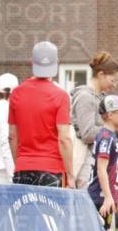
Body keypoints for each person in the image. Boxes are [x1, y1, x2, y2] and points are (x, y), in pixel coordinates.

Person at [8, 41, 74, 188]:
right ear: (57, 63)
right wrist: (70, 175)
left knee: (24, 211)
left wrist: (20, 163)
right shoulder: (61, 96)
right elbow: (64, 138)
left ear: (31, 62)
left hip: (23, 166)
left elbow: (12, 135)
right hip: (52, 169)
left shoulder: (16, 93)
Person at [71, 51, 118, 189]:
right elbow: (87, 133)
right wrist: (111, 129)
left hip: (95, 163)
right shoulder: (85, 98)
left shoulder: (100, 98)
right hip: (85, 166)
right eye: (113, 80)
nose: (114, 85)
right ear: (101, 75)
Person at [88, 95, 118, 229]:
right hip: (99, 198)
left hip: (106, 197)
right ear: (110, 115)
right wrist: (107, 197)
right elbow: (101, 169)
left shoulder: (112, 136)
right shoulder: (106, 137)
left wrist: (114, 196)